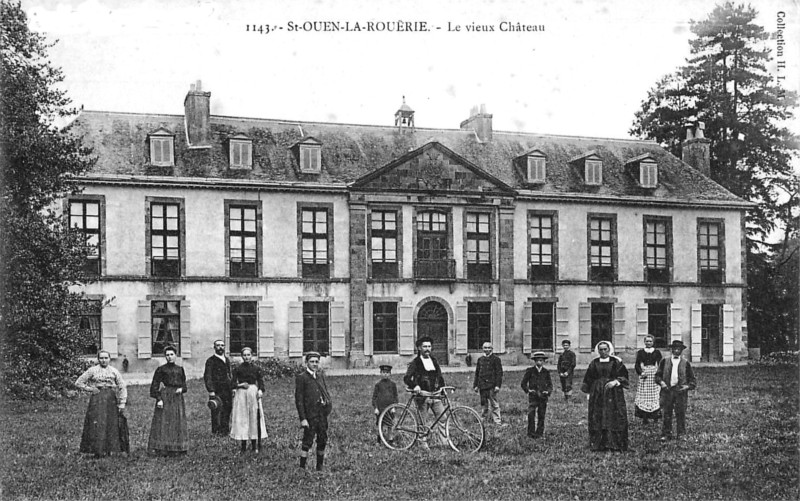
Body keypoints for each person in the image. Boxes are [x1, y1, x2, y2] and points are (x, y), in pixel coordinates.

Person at [75, 350, 128, 458]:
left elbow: (122, 386)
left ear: (109, 359)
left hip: (110, 398)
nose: (104, 360)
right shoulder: (92, 370)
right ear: (98, 359)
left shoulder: (114, 371)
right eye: (101, 358)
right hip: (97, 398)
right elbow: (79, 382)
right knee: (98, 423)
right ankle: (97, 450)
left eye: (106, 358)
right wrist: (90, 389)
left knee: (110, 423)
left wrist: (122, 402)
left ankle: (109, 449)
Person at [581, 341, 630, 452]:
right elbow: (589, 378)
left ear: (609, 350)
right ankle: (598, 444)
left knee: (613, 416)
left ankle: (615, 443)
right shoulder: (594, 363)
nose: (603, 352)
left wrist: (616, 381)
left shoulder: (616, 362)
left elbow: (624, 376)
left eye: (605, 349)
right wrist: (589, 393)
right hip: (597, 393)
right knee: (598, 416)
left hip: (613, 394)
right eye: (601, 350)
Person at [403, 336, 446, 449]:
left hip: (435, 394)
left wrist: (442, 388)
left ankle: (444, 442)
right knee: (423, 420)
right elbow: (407, 378)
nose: (427, 349)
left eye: (429, 346)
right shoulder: (415, 362)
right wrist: (415, 386)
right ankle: (422, 442)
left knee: (443, 417)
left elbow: (440, 377)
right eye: (425, 346)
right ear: (419, 348)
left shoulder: (434, 361)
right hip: (422, 395)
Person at [147, 345, 188, 456]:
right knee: (164, 421)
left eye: (171, 354)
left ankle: (177, 448)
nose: (169, 357)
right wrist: (159, 399)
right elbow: (154, 387)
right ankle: (162, 447)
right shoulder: (161, 369)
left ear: (176, 355)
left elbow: (185, 386)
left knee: (177, 420)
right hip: (165, 396)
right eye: (167, 355)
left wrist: (181, 389)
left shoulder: (180, 369)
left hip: (177, 398)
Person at [295, 352, 333, 470]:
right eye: (312, 362)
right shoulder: (302, 378)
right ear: (306, 363)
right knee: (307, 441)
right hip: (310, 416)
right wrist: (303, 419)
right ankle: (302, 467)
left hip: (321, 415)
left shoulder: (320, 376)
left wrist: (326, 404)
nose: (314, 364)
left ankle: (319, 466)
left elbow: (325, 392)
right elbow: (299, 400)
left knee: (322, 439)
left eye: (317, 362)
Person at [655, 340, 697, 442]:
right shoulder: (664, 361)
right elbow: (657, 376)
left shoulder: (685, 363)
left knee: (680, 412)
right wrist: (662, 383)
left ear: (682, 351)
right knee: (667, 413)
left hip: (680, 392)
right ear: (671, 350)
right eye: (675, 349)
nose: (677, 351)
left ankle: (681, 434)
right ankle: (666, 433)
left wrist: (687, 387)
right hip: (667, 391)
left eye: (679, 349)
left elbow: (693, 380)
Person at [230, 347, 266, 454]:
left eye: (248, 355)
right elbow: (232, 384)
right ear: (242, 356)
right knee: (243, 417)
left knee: (254, 417)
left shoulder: (256, 368)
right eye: (244, 355)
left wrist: (260, 391)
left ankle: (255, 444)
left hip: (253, 393)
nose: (246, 357)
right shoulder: (237, 369)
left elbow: (261, 382)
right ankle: (243, 445)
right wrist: (240, 385)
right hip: (241, 394)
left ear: (252, 355)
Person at [204, 339, 233, 436]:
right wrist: (211, 390)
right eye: (218, 345)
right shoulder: (210, 361)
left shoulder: (227, 359)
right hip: (217, 389)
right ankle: (216, 431)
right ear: (214, 347)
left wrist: (232, 387)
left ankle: (225, 430)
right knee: (217, 409)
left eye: (222, 345)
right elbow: (207, 376)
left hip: (227, 389)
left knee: (227, 408)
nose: (220, 347)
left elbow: (230, 374)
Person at [521, 351, 553, 438]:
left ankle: (539, 433)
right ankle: (531, 433)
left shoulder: (546, 372)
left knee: (541, 415)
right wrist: (528, 390)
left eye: (541, 360)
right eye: (538, 360)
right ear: (534, 361)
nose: (539, 362)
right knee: (531, 414)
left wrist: (548, 391)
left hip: (543, 397)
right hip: (533, 397)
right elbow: (523, 383)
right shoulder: (530, 371)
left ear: (544, 361)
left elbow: (550, 385)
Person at [473, 341, 504, 426]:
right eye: (485, 348)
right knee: (484, 403)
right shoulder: (480, 360)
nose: (487, 349)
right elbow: (477, 373)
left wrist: (497, 385)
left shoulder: (496, 359)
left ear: (492, 349)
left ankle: (497, 421)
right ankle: (483, 419)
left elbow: (499, 373)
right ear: (482, 349)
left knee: (494, 404)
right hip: (482, 385)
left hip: (491, 385)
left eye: (488, 348)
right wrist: (475, 385)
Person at [634, 335, 663, 425]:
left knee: (655, 395)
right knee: (644, 395)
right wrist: (641, 373)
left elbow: (660, 364)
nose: (648, 343)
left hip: (654, 375)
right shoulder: (640, 352)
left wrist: (658, 374)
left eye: (650, 341)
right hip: (644, 375)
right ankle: (644, 417)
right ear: (644, 342)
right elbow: (637, 365)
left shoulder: (657, 352)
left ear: (653, 342)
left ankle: (655, 417)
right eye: (647, 341)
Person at [372, 364, 398, 430]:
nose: (385, 374)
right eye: (383, 372)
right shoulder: (378, 385)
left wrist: (394, 407)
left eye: (387, 373)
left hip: (390, 408)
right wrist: (376, 408)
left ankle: (390, 438)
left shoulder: (393, 384)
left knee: (390, 423)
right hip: (380, 408)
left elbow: (395, 396)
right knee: (380, 423)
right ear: (380, 373)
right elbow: (374, 397)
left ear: (390, 374)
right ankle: (380, 436)